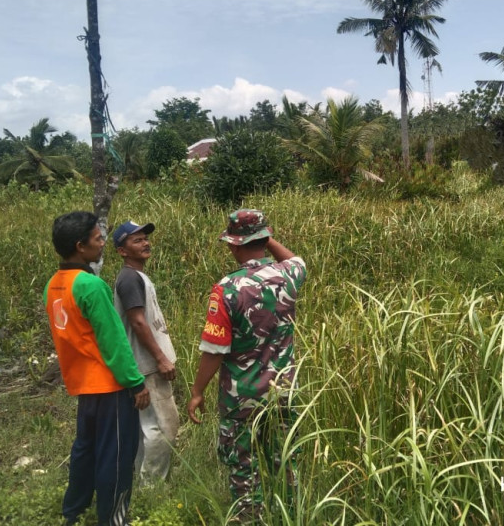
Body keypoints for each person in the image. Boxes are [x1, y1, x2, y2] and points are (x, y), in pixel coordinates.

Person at [187, 209, 307, 521]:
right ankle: (290, 517)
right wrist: (266, 238)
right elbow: (297, 260)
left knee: (244, 470)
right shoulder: (289, 276)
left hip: (242, 398)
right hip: (284, 392)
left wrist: (197, 390)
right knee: (286, 463)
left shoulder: (226, 289)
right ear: (264, 240)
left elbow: (214, 350)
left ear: (234, 245)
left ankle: (250, 519)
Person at [43, 211, 150, 526]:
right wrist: (136, 383)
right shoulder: (91, 285)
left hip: (82, 384)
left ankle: (73, 511)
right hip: (110, 387)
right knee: (115, 458)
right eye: (97, 238)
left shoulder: (55, 284)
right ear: (80, 246)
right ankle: (114, 519)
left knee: (85, 451)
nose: (103, 243)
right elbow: (114, 341)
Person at [112, 220, 179, 482]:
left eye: (145, 238)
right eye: (136, 240)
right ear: (122, 250)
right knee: (163, 428)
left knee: (146, 428)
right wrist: (160, 358)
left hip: (145, 363)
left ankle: (142, 484)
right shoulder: (129, 278)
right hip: (148, 364)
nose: (145, 243)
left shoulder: (134, 276)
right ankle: (152, 486)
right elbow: (138, 322)